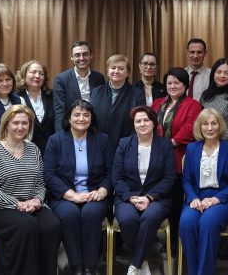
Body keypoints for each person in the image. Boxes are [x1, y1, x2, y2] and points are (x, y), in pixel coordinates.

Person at [0, 105, 61, 275]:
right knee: (26, 224)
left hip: (29, 205)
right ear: (6, 125)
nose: (20, 127)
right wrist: (17, 204)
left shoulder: (33, 149)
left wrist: (36, 200)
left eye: (25, 123)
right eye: (15, 123)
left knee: (52, 225)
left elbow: (40, 184)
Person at [44, 100, 113, 275]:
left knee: (91, 214)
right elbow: (49, 174)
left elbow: (111, 172)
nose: (81, 118)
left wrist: (103, 190)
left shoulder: (102, 140)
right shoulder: (55, 140)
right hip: (64, 196)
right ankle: (76, 266)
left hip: (94, 194)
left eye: (86, 115)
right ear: (69, 118)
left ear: (91, 118)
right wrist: (71, 195)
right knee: (69, 214)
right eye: (77, 114)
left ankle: (89, 266)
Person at [111, 106, 177, 275]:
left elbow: (169, 178)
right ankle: (142, 261)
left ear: (153, 122)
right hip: (128, 196)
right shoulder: (124, 144)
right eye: (138, 121)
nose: (142, 124)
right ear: (133, 124)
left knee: (149, 217)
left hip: (157, 197)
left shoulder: (165, 145)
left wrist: (149, 197)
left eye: (146, 120)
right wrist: (130, 197)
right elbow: (117, 177)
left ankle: (135, 265)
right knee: (127, 219)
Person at [179, 108, 228, 275]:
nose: (209, 128)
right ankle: (194, 271)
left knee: (208, 221)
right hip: (198, 197)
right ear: (199, 127)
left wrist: (216, 199)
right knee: (186, 222)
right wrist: (192, 198)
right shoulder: (192, 149)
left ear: (220, 125)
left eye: (213, 123)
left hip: (225, 199)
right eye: (205, 124)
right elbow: (186, 180)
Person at [152, 67, 202, 249]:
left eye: (177, 83)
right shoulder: (157, 103)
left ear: (185, 85)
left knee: (175, 201)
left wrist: (169, 143)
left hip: (178, 159)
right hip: (156, 159)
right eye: (169, 83)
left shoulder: (193, 105)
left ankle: (174, 241)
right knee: (158, 199)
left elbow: (190, 129)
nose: (172, 86)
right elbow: (149, 125)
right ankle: (155, 237)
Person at [91, 54, 145, 147]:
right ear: (108, 71)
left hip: (125, 146)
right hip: (97, 144)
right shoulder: (96, 91)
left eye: (121, 68)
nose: (116, 71)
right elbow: (91, 119)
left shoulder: (137, 94)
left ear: (128, 73)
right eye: (113, 68)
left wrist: (128, 144)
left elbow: (140, 122)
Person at [53, 41, 106, 132]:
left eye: (85, 54)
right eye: (77, 55)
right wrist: (61, 135)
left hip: (94, 129)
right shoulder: (61, 79)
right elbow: (59, 112)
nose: (82, 58)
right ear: (72, 57)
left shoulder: (99, 78)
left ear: (91, 55)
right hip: (70, 130)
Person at [199, 57, 228, 142]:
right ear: (213, 74)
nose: (222, 76)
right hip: (207, 144)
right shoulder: (205, 95)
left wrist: (215, 140)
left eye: (226, 73)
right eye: (219, 72)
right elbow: (200, 122)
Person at [16, 60, 54, 153]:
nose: (37, 76)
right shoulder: (16, 97)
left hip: (49, 150)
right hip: (23, 151)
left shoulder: (52, 96)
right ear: (24, 75)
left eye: (41, 73)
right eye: (33, 72)